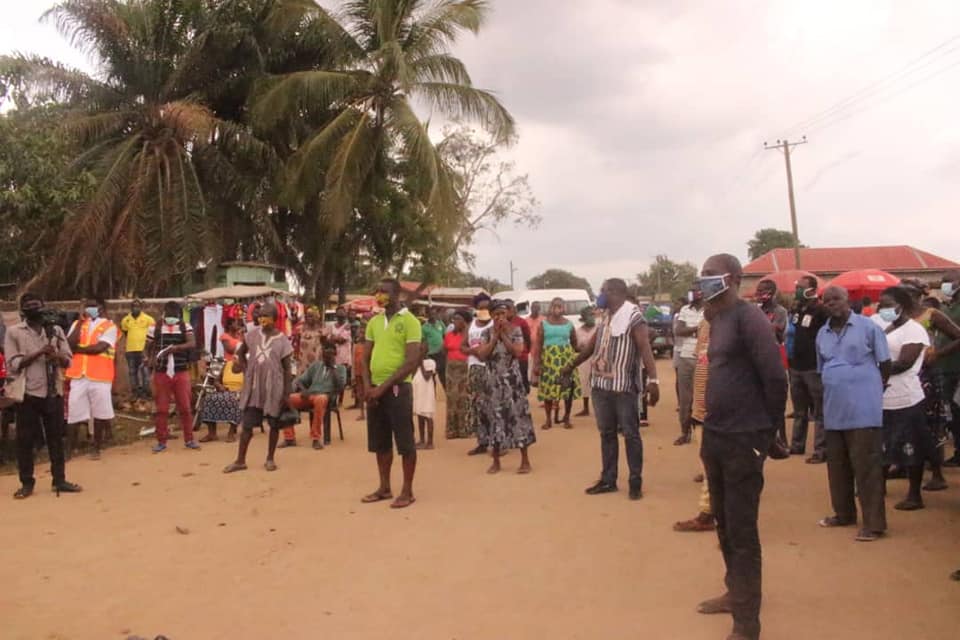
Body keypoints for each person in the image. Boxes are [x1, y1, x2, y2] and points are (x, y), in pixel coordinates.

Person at [694, 254, 787, 640]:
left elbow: (774, 378)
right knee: (724, 523)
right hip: (716, 434)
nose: (703, 282)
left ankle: (747, 625)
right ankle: (736, 592)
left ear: (731, 278)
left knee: (743, 529)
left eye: (710, 276)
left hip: (745, 437)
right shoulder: (716, 318)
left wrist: (767, 432)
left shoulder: (749, 318)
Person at [565, 278, 659, 500]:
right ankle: (608, 480)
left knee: (630, 434)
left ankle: (635, 481)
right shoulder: (606, 316)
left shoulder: (634, 316)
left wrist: (653, 381)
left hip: (623, 387)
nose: (600, 294)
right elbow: (592, 347)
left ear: (614, 292)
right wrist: (570, 366)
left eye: (603, 291)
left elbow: (645, 348)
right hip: (601, 386)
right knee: (606, 434)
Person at [815, 286, 890, 542]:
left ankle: (874, 524)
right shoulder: (822, 333)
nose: (832, 304)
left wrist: (871, 388)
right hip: (834, 408)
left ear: (848, 301)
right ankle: (844, 513)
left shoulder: (869, 327)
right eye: (827, 301)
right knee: (837, 466)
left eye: (837, 299)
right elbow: (820, 368)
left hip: (863, 409)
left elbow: (885, 363)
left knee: (867, 467)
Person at [5, 293, 82, 499]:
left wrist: (55, 355)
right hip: (27, 393)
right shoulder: (14, 332)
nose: (34, 309)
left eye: (36, 305)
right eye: (29, 306)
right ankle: (27, 482)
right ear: (23, 310)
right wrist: (40, 352)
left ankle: (60, 479)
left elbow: (68, 360)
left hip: (52, 391)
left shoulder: (55, 330)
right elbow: (13, 364)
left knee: (56, 438)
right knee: (25, 441)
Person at [358, 279, 421, 508]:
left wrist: (382, 388)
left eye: (384, 291)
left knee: (404, 441)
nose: (379, 295)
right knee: (380, 441)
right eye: (378, 291)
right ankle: (384, 487)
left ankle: (407, 490)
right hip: (374, 390)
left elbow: (411, 360)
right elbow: (365, 356)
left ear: (397, 294)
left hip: (397, 389)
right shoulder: (374, 321)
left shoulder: (410, 321)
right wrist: (367, 386)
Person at [873, 286, 937, 511]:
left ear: (902, 306)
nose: (883, 309)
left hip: (906, 398)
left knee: (912, 447)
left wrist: (871, 368)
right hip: (882, 398)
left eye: (888, 305)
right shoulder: (882, 326)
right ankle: (877, 488)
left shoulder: (914, 330)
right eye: (881, 305)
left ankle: (914, 495)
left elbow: (904, 363)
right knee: (881, 446)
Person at [902, 280, 959, 491]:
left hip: (928, 375)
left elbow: (957, 336)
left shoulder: (931, 315)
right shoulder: (899, 318)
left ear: (918, 295)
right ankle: (903, 465)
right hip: (905, 376)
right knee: (906, 424)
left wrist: (938, 354)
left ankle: (937, 473)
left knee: (932, 424)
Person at [223, 302, 294, 473]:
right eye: (260, 315)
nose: (262, 319)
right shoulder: (252, 335)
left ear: (275, 319)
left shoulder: (283, 340)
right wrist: (246, 368)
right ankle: (240, 460)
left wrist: (286, 393)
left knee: (274, 423)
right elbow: (240, 353)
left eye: (266, 315)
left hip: (274, 387)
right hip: (254, 387)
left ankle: (270, 458)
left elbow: (287, 369)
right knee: (247, 425)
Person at [477, 299, 535, 474]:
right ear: (492, 315)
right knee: (494, 419)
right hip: (493, 383)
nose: (500, 317)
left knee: (517, 417)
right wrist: (495, 337)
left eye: (503, 313)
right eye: (496, 314)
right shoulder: (486, 333)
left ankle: (525, 460)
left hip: (512, 383)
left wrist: (504, 336)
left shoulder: (515, 331)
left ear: (508, 314)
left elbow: (518, 352)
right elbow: (482, 355)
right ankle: (496, 461)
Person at [673, 317, 716, 533]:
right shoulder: (704, 323)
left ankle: (708, 515)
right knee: (709, 464)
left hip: (720, 413)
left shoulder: (735, 323)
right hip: (702, 411)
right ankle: (712, 515)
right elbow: (702, 363)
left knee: (717, 469)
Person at [65, 297, 118, 460]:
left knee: (100, 413)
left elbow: (99, 348)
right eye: (87, 306)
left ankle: (96, 447)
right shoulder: (76, 324)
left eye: (93, 306)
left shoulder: (110, 326)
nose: (89, 309)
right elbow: (68, 344)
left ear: (100, 307)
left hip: (100, 376)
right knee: (74, 411)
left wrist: (78, 349)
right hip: (78, 375)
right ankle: (68, 450)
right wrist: (80, 322)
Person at [145, 301, 200, 452]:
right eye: (168, 315)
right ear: (164, 314)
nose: (171, 318)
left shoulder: (185, 326)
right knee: (161, 409)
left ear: (178, 315)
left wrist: (176, 348)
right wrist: (148, 359)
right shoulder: (155, 328)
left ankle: (189, 439)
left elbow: (192, 343)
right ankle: (161, 441)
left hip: (180, 371)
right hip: (162, 372)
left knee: (185, 407)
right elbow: (147, 347)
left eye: (173, 315)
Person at [788, 275, 828, 463]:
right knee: (799, 410)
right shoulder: (797, 308)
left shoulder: (821, 310)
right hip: (795, 366)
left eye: (801, 287)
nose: (797, 290)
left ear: (811, 289)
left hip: (813, 367)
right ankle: (797, 445)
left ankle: (820, 450)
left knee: (819, 411)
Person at [282, 342, 346, 450]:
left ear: (335, 353)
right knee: (286, 399)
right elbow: (299, 381)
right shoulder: (316, 365)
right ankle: (289, 438)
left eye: (330, 351)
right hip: (310, 395)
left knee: (320, 399)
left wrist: (332, 368)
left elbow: (340, 387)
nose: (327, 353)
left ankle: (316, 438)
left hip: (327, 397)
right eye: (325, 351)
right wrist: (304, 390)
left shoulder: (340, 368)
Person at [756, 279, 791, 456]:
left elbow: (779, 332)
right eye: (758, 291)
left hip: (776, 357)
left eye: (763, 291)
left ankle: (781, 440)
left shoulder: (780, 311)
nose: (760, 293)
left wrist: (764, 325)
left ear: (772, 292)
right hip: (758, 359)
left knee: (777, 400)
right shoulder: (756, 310)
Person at [535, 297, 580, 430]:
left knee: (567, 388)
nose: (557, 309)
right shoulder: (544, 324)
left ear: (563, 308)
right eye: (555, 306)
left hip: (566, 359)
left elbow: (574, 343)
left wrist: (583, 350)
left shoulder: (569, 324)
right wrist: (537, 363)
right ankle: (548, 419)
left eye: (560, 306)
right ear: (550, 307)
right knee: (548, 390)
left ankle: (566, 417)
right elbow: (538, 344)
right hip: (549, 360)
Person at [198, 319, 244, 443]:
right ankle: (212, 433)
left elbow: (250, 383)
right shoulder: (227, 364)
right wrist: (219, 385)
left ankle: (231, 432)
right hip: (226, 390)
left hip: (239, 391)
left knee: (233, 400)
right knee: (209, 399)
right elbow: (217, 380)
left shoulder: (246, 367)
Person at [674, 288, 704, 445]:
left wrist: (690, 331)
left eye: (694, 291)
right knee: (685, 400)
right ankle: (685, 433)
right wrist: (698, 329)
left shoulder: (710, 308)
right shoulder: (685, 309)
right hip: (685, 357)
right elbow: (679, 330)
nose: (690, 294)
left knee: (702, 398)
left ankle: (704, 433)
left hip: (703, 358)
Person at [464, 293, 494, 455]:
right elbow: (462, 346)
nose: (484, 310)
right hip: (474, 368)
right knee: (478, 407)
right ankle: (482, 442)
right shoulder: (471, 325)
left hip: (491, 368)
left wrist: (483, 352)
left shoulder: (495, 324)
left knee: (493, 406)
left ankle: (498, 443)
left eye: (487, 307)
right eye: (481, 308)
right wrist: (473, 351)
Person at [936, 270, 960, 467]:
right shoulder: (944, 308)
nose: (944, 286)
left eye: (948, 282)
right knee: (951, 412)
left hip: (957, 366)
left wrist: (940, 353)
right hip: (944, 368)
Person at [443, 310, 472, 439]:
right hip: (451, 369)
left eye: (458, 319)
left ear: (465, 321)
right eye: (454, 319)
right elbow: (444, 349)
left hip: (464, 368)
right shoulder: (449, 335)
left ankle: (463, 429)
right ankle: (451, 430)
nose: (455, 321)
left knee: (463, 398)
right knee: (451, 398)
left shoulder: (469, 335)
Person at [119, 298, 154, 406]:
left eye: (138, 306)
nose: (135, 308)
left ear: (141, 307)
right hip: (130, 350)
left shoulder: (149, 319)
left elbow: (152, 335)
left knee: (145, 372)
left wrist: (149, 351)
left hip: (143, 351)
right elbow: (125, 332)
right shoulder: (125, 320)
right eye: (133, 306)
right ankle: (135, 393)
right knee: (132, 372)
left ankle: (146, 393)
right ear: (131, 307)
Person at [324, 306, 354, 407]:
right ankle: (333, 400)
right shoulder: (332, 326)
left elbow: (342, 340)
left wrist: (333, 338)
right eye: (339, 314)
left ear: (345, 315)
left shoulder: (348, 326)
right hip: (334, 356)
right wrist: (334, 338)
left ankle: (340, 400)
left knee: (342, 379)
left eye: (342, 314)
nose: (341, 316)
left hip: (344, 356)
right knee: (332, 377)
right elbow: (327, 339)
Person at [413, 339, 437, 450]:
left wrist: (421, 363)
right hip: (419, 394)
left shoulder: (430, 362)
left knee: (428, 416)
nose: (419, 351)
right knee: (420, 416)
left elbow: (427, 377)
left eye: (421, 350)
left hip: (427, 394)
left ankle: (430, 442)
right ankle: (422, 440)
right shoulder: (416, 363)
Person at [574, 307, 598, 417]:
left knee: (598, 383)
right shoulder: (578, 331)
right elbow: (575, 347)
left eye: (593, 316)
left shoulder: (599, 329)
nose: (592, 318)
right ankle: (585, 408)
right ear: (584, 318)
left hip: (598, 359)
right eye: (589, 316)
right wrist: (582, 349)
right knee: (584, 383)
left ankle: (599, 407)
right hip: (584, 360)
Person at [506, 301, 532, 394]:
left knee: (522, 377)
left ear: (514, 310)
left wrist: (526, 351)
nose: (508, 311)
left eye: (510, 309)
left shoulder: (521, 322)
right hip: (506, 357)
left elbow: (527, 338)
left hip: (521, 356)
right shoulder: (500, 322)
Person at [421, 307, 447, 388]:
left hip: (441, 354)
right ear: (427, 315)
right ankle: (433, 397)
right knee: (432, 379)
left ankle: (448, 397)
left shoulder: (440, 324)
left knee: (443, 377)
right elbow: (423, 342)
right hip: (430, 355)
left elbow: (445, 336)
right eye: (430, 314)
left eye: (434, 313)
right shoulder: (424, 327)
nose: (433, 316)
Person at [527, 301, 544, 386]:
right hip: (530, 348)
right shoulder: (526, 320)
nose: (536, 310)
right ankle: (531, 381)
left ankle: (538, 381)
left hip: (540, 347)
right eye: (534, 307)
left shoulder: (543, 320)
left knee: (539, 363)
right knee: (530, 364)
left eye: (538, 308)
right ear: (531, 308)